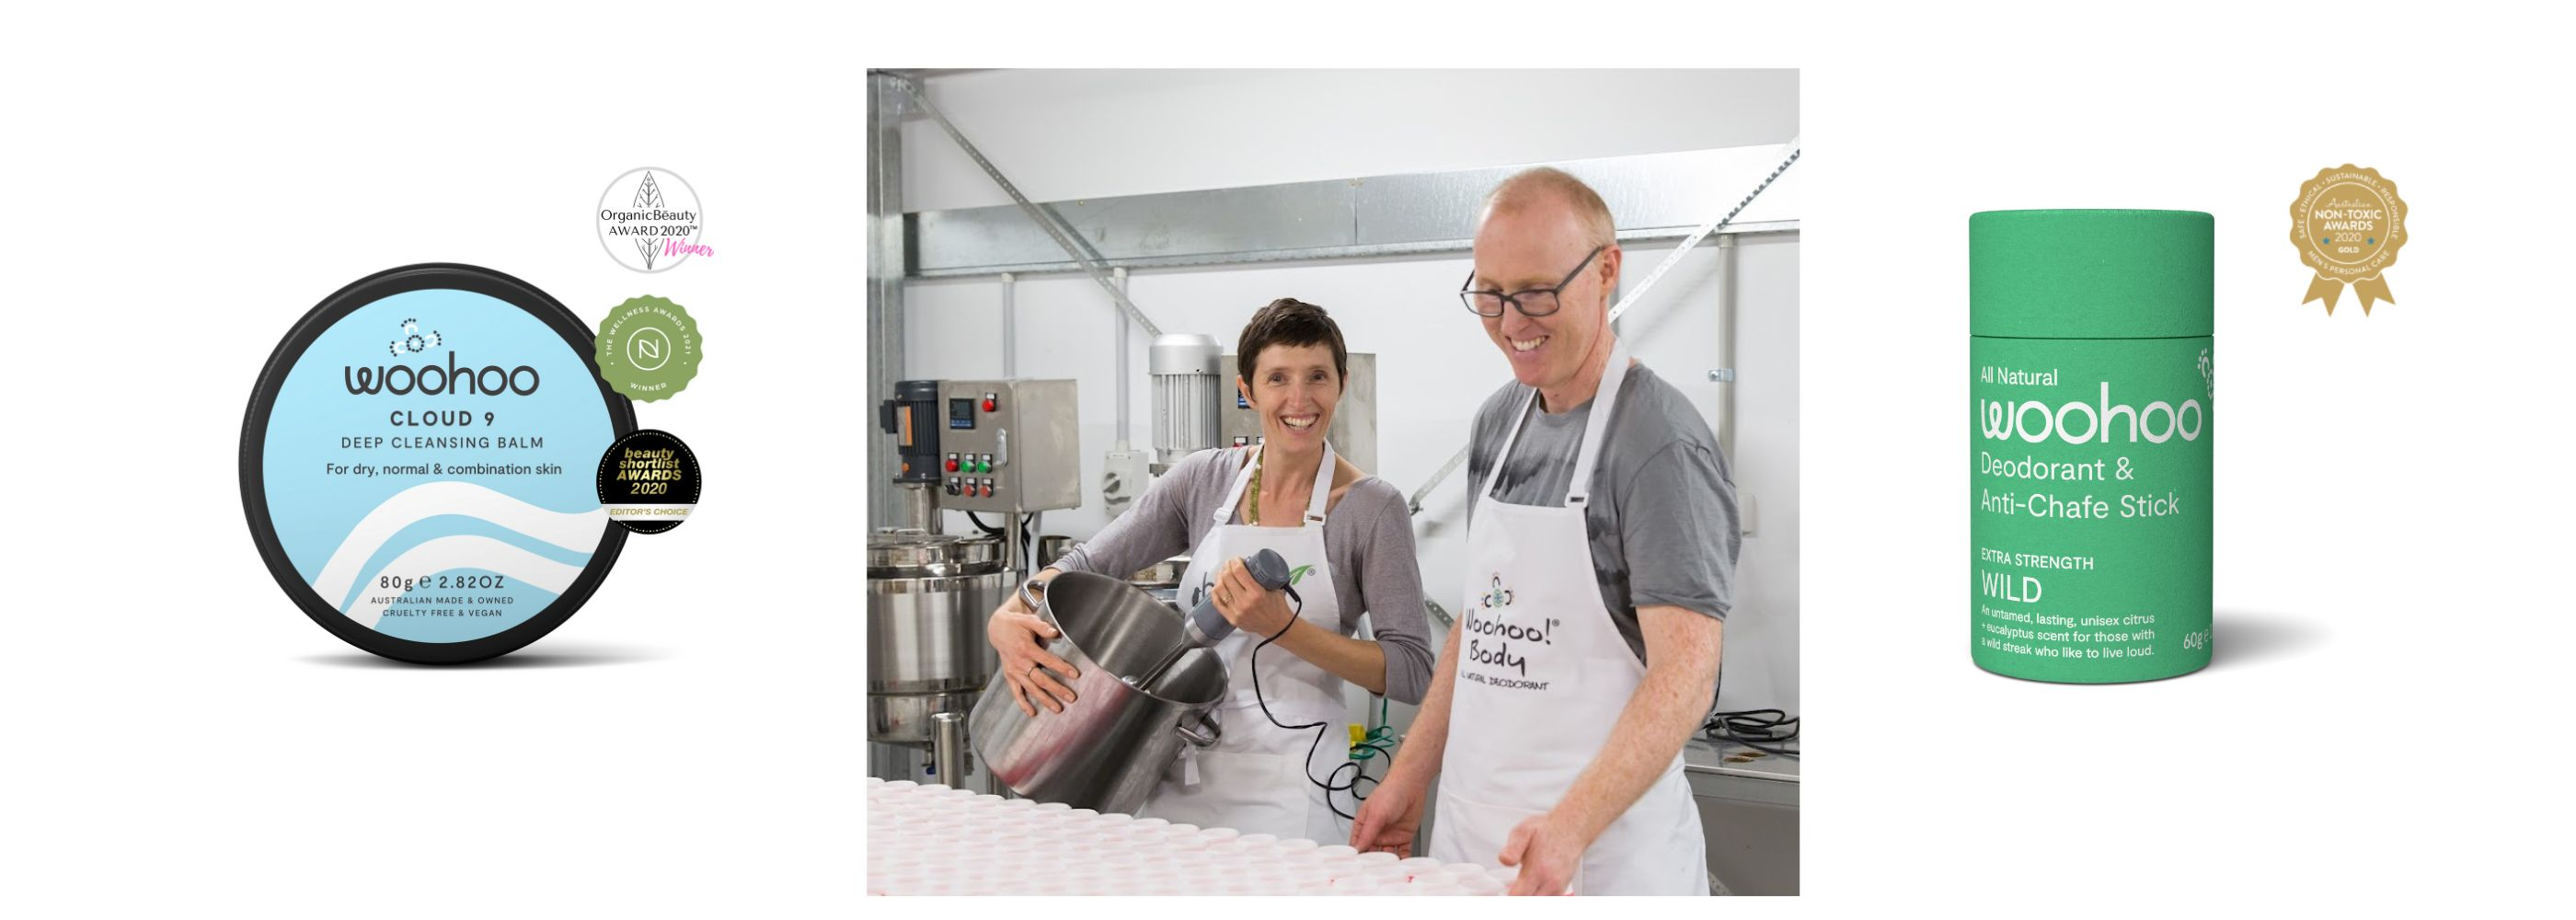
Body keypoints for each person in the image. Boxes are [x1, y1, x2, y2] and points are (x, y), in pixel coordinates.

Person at [1350, 168, 1739, 895]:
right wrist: (1409, 776)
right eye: (1491, 295)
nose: (1511, 321)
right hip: (1473, 841)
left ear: (1607, 272)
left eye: (1535, 292)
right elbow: (1483, 621)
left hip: (1601, 860)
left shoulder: (1658, 446)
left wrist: (1571, 824)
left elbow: (1686, 676)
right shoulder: (1500, 421)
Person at [984, 298, 1433, 844]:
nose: (1299, 399)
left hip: (1299, 789)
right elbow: (1083, 565)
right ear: (1246, 390)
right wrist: (1007, 616)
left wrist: (1284, 628)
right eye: (1277, 379)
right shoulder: (1201, 481)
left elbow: (1411, 671)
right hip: (1178, 778)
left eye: (1317, 376)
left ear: (1342, 382)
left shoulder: (1372, 508)